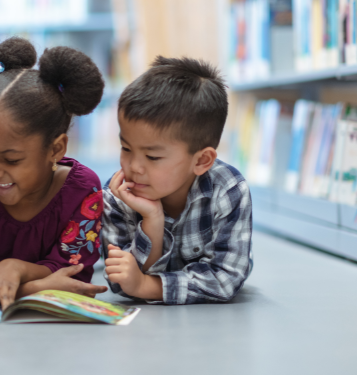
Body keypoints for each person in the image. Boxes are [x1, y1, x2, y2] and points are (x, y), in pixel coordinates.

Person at [0, 37, 108, 315]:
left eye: (12, 160)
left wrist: (14, 268)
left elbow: (73, 274)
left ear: (56, 149)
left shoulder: (83, 189)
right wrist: (32, 288)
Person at [101, 56, 253, 305]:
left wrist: (146, 285)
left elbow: (226, 279)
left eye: (152, 156)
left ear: (202, 160)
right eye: (125, 148)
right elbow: (120, 282)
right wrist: (152, 220)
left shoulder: (228, 190)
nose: (134, 167)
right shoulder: (117, 194)